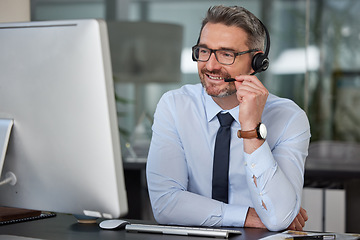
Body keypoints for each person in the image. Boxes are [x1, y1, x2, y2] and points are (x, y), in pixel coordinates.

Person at [146, 5, 310, 231]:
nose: (210, 65)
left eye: (226, 54)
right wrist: (246, 216)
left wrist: (252, 128)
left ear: (257, 62)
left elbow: (279, 217)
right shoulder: (175, 106)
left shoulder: (290, 118)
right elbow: (165, 204)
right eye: (204, 51)